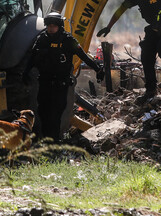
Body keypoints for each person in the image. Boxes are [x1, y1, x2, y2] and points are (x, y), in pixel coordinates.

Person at [23, 12, 104, 141]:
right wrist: (25, 73)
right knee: (43, 112)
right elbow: (32, 57)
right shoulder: (42, 39)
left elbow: (83, 55)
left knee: (56, 114)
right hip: (44, 82)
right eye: (49, 25)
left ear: (59, 26)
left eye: (53, 26)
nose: (51, 28)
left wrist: (97, 69)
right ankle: (46, 140)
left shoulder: (68, 40)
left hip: (61, 84)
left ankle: (54, 141)